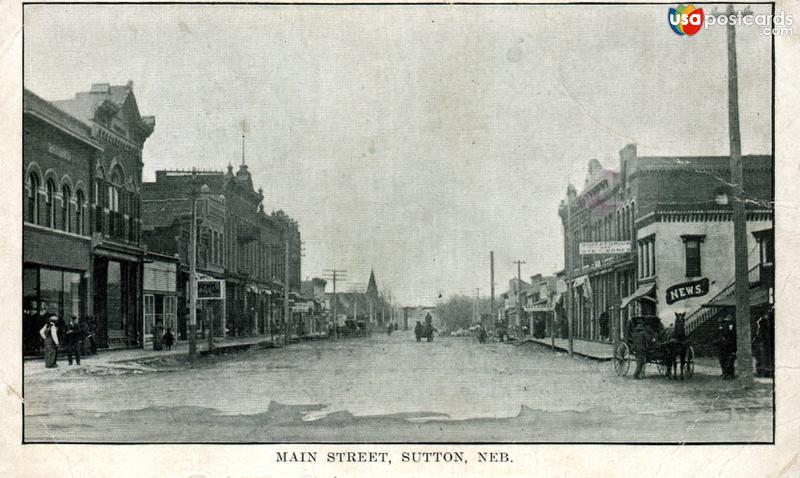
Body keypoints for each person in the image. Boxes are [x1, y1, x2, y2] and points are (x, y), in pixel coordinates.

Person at [715, 315, 737, 379]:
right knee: (723, 360)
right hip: (724, 346)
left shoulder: (735, 327)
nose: (728, 322)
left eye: (730, 321)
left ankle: (731, 374)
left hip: (732, 346)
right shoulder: (724, 327)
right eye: (727, 321)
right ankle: (725, 373)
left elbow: (735, 337)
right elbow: (720, 335)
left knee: (731, 360)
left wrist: (734, 349)